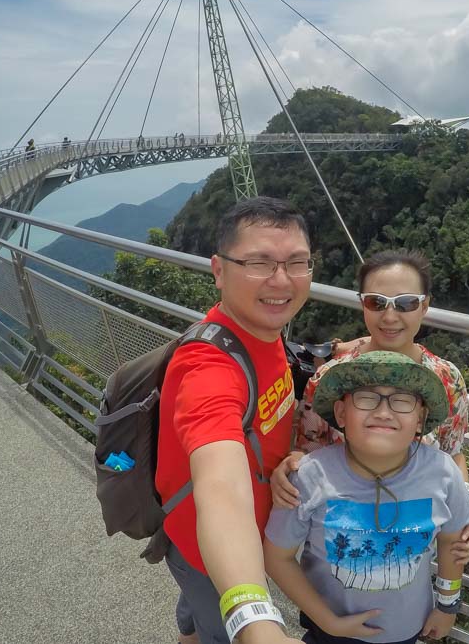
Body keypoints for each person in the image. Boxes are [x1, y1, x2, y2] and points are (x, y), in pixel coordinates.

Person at [155, 196, 308, 644]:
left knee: (195, 604)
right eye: (259, 263)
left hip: (222, 534)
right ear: (219, 270)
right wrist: (255, 619)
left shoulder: (262, 328)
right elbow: (221, 487)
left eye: (297, 263)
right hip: (210, 547)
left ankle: (190, 630)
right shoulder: (209, 367)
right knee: (217, 616)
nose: (282, 280)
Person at [272, 249, 469, 564]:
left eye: (406, 303)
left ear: (425, 305)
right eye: (376, 302)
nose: (390, 317)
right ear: (362, 304)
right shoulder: (331, 379)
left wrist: (467, 511)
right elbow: (308, 449)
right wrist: (288, 470)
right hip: (338, 545)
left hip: (410, 544)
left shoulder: (447, 380)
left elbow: (452, 454)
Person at [264, 351, 469, 644]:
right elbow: (278, 557)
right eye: (366, 398)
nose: (383, 412)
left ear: (420, 419)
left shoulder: (443, 473)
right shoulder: (310, 476)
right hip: (326, 631)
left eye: (402, 400)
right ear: (341, 413)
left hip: (406, 630)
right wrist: (329, 622)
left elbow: (452, 542)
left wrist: (447, 605)